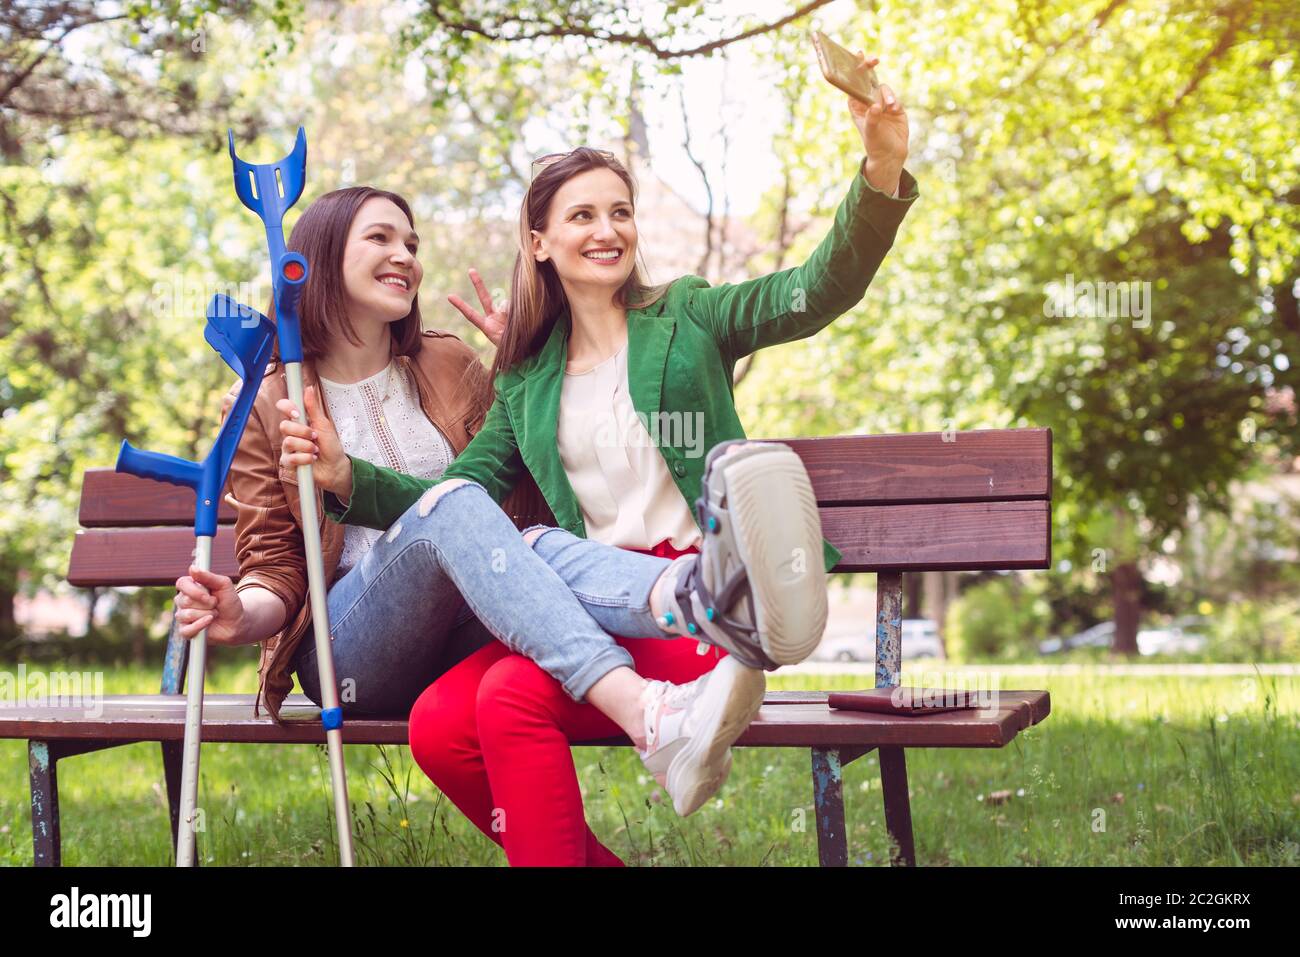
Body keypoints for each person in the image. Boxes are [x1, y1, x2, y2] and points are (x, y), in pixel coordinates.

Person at [280, 51, 917, 865]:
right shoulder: (525, 380)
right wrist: (346, 479)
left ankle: (702, 625)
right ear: (540, 240)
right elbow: (452, 498)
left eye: (620, 212)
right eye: (581, 216)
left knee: (509, 697)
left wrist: (881, 165)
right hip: (597, 603)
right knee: (439, 725)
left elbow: (817, 288)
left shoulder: (688, 316)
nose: (607, 230)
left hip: (699, 601)